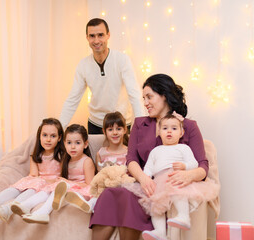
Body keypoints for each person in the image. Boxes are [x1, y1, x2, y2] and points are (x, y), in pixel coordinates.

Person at [89, 73, 213, 240]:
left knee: (130, 200)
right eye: (144, 98)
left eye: (149, 97)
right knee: (110, 194)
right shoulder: (140, 124)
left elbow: (202, 165)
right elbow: (131, 159)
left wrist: (188, 175)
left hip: (167, 185)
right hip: (142, 182)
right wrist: (143, 179)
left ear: (164, 95)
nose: (145, 103)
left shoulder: (188, 126)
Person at [124, 113, 219, 240]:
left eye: (174, 128)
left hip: (175, 177)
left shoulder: (183, 148)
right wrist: (145, 177)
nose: (169, 131)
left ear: (181, 133)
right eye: (165, 128)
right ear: (159, 132)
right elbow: (148, 168)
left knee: (177, 192)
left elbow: (194, 163)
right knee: (155, 204)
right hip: (158, 182)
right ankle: (160, 231)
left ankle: (183, 216)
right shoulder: (155, 151)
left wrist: (184, 166)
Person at [59, 18, 144, 134]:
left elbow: (135, 94)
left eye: (100, 35)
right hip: (95, 124)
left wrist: (143, 126)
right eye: (92, 36)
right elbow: (72, 100)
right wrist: (59, 129)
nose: (96, 40)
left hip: (120, 124)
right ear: (87, 38)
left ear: (108, 35)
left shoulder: (122, 60)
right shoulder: (83, 65)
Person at [0, 118, 65, 222]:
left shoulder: (61, 156)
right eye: (44, 135)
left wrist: (42, 182)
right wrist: (30, 183)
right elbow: (33, 175)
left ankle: (9, 209)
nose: (48, 139)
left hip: (50, 185)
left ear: (59, 138)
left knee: (31, 190)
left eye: (53, 136)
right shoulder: (36, 155)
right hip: (37, 182)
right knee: (14, 189)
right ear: (39, 136)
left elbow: (63, 177)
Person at [21, 124, 96, 223]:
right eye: (69, 143)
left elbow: (89, 185)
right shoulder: (66, 160)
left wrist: (68, 182)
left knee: (60, 188)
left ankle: (43, 212)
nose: (73, 147)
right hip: (69, 189)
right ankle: (25, 206)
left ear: (85, 144)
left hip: (83, 190)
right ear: (64, 144)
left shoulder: (86, 161)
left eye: (77, 143)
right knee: (50, 189)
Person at [62, 111, 129, 213]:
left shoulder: (129, 152)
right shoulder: (101, 153)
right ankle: (89, 205)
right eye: (110, 129)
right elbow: (100, 175)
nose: (115, 132)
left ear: (125, 130)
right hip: (106, 188)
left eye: (118, 129)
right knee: (98, 194)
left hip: (123, 186)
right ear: (104, 131)